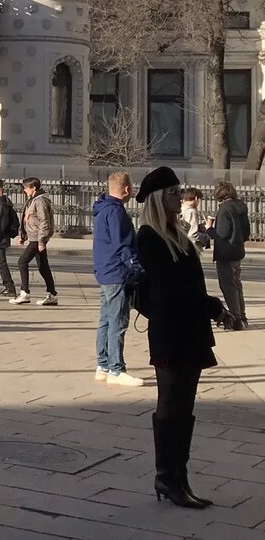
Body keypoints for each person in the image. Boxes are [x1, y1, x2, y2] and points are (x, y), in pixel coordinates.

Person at [134, 166, 235, 509]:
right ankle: (166, 476)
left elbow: (189, 285)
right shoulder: (148, 237)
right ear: (159, 199)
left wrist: (210, 309)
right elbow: (171, 288)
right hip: (171, 330)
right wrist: (215, 308)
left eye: (179, 191)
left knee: (186, 405)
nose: (180, 196)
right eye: (174, 192)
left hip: (191, 329)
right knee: (171, 403)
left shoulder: (178, 233)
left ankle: (179, 474)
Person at [92, 172, 145, 386]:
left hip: (105, 271)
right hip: (117, 272)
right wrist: (137, 267)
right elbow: (122, 244)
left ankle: (103, 364)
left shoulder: (102, 209)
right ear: (126, 190)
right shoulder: (115, 212)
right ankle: (116, 368)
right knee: (118, 321)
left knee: (105, 319)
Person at [204, 181, 249, 331]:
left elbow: (221, 235)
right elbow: (247, 232)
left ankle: (235, 318)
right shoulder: (241, 206)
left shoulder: (224, 209)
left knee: (228, 286)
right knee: (237, 284)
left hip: (225, 253)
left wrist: (209, 229)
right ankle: (242, 315)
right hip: (238, 251)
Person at [12, 178, 57, 305]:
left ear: (34, 188)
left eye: (26, 188)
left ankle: (24, 292)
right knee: (43, 266)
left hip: (37, 238)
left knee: (22, 262)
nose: (24, 190)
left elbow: (44, 221)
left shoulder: (40, 201)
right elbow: (28, 219)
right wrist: (23, 235)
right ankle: (52, 294)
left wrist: (42, 241)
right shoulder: (32, 200)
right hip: (34, 237)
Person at [179, 189, 209, 254]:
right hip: (192, 248)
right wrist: (206, 237)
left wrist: (200, 226)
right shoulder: (191, 212)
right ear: (196, 198)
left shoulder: (181, 208)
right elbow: (193, 234)